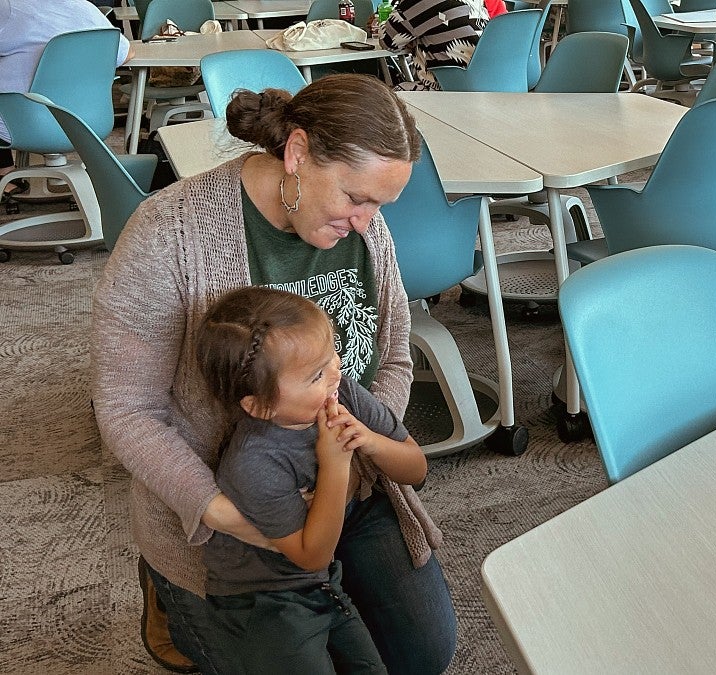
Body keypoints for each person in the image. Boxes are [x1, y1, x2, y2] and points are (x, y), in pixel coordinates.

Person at [92, 74, 457, 675]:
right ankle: (167, 585)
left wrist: (360, 437)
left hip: (345, 480)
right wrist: (219, 512)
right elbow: (127, 408)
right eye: (355, 198)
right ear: (296, 153)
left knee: (421, 657)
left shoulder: (364, 229)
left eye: (380, 206)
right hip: (237, 506)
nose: (368, 222)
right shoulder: (169, 233)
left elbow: (391, 356)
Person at [195, 287, 426, 673]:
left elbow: (416, 470)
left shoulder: (344, 392)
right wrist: (337, 465)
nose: (338, 370)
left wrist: (370, 442)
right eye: (317, 374)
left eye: (332, 352)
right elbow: (310, 555)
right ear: (260, 406)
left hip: (323, 580)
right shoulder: (253, 462)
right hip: (261, 598)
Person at [0, 0, 132, 199]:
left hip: (22, 123)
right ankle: (6, 173)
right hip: (87, 121)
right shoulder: (86, 8)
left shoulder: (8, 8)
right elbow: (126, 53)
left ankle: (6, 174)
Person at [381, 0, 489, 90]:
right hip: (488, 87)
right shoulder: (476, 2)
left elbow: (388, 42)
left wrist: (379, 24)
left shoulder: (418, 2)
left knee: (386, 98)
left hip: (448, 89)